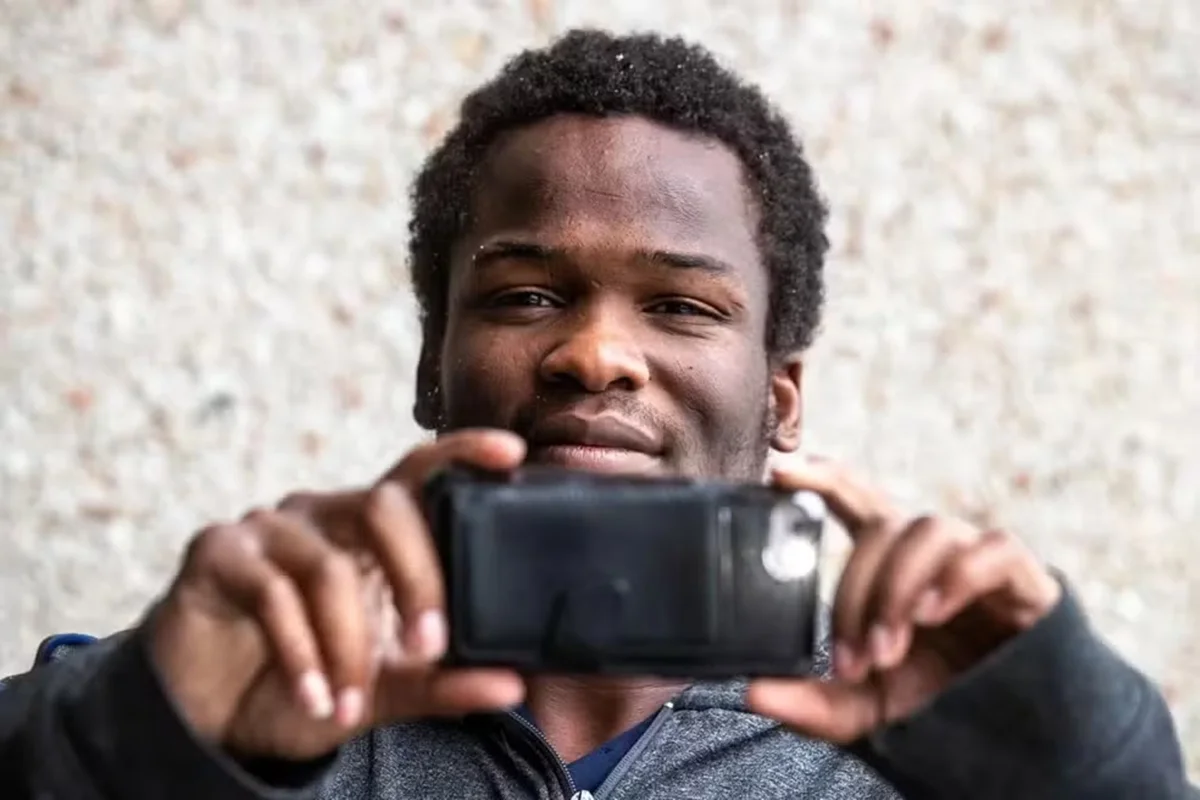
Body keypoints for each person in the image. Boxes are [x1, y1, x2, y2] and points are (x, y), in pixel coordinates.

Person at [0, 29, 1194, 800]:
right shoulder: (239, 697)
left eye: (680, 305)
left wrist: (1083, 758)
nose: (595, 353)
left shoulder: (932, 738)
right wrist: (134, 736)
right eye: (527, 295)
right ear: (433, 364)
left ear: (780, 395)